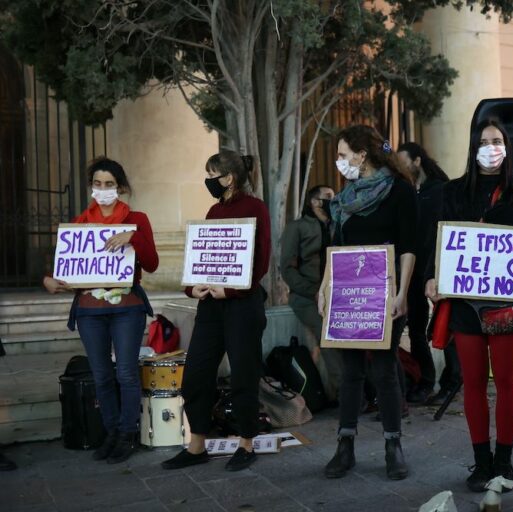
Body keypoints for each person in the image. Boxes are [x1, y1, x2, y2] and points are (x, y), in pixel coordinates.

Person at [424, 119, 513, 492]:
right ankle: (481, 461)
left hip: (507, 304)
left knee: (508, 381)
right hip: (465, 304)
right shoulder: (453, 191)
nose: (491, 146)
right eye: (484, 141)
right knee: (474, 383)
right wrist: (431, 278)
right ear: (473, 147)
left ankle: (504, 460)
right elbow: (440, 240)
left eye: (497, 140)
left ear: (506, 147)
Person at [43, 157, 159, 464]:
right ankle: (110, 432)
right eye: (98, 184)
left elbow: (152, 263)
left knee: (126, 373)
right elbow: (61, 264)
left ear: (119, 187)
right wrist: (49, 279)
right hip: (89, 310)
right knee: (101, 375)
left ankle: (126, 434)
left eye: (109, 184)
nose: (103, 189)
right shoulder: (80, 223)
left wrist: (133, 237)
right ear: (91, 186)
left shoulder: (137, 219)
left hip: (127, 309)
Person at [319, 125, 418, 481]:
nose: (340, 162)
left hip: (386, 291)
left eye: (344, 155)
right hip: (349, 294)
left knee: (385, 368)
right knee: (351, 371)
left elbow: (409, 246)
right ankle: (345, 445)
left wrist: (402, 293)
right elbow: (335, 247)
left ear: (362, 155)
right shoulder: (344, 200)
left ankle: (393, 446)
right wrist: (324, 286)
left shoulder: (400, 191)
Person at [162, 150, 271, 472]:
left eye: (212, 174)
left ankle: (247, 443)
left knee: (243, 374)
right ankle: (197, 446)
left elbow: (261, 260)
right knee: (196, 373)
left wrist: (234, 289)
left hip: (242, 306)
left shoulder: (256, 208)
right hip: (210, 305)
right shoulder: (212, 210)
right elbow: (202, 255)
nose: (207, 181)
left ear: (229, 178)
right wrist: (190, 287)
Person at [396, 142, 449, 404]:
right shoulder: (407, 191)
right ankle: (424, 380)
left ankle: (452, 383)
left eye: (403, 161)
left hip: (438, 269)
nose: (400, 166)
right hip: (414, 270)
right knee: (416, 329)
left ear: (417, 161)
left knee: (448, 327)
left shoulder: (440, 189)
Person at [280, 184, 342, 400]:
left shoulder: (338, 225)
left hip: (338, 295)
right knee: (327, 335)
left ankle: (357, 391)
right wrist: (314, 291)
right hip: (307, 297)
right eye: (328, 196)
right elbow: (287, 268)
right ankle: (345, 395)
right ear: (315, 202)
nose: (332, 200)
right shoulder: (297, 228)